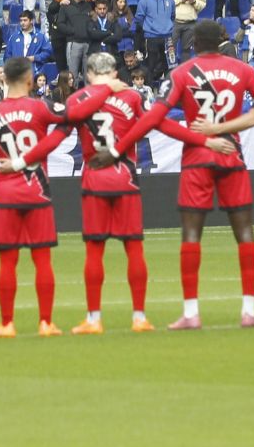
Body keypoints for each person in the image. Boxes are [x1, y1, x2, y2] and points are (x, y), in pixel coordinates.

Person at [116, 20, 254, 330]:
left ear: (194, 43)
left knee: (192, 235)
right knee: (245, 233)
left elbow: (154, 119)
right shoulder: (243, 70)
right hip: (231, 154)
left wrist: (119, 148)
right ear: (221, 41)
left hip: (197, 159)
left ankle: (191, 313)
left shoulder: (182, 73)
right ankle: (249, 311)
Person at [56, 53, 214, 335]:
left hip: (94, 177)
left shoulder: (79, 98)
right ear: (115, 72)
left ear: (89, 73)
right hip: (125, 176)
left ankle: (93, 319)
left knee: (95, 250)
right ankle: (139, 317)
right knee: (134, 248)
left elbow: (63, 124)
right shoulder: (131, 98)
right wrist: (201, 139)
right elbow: (160, 124)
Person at [0, 57, 95, 338]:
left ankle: (6, 324)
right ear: (30, 79)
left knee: (7, 262)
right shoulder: (41, 107)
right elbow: (72, 117)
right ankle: (45, 322)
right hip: (37, 191)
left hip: (6, 192)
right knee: (42, 260)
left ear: (4, 79)